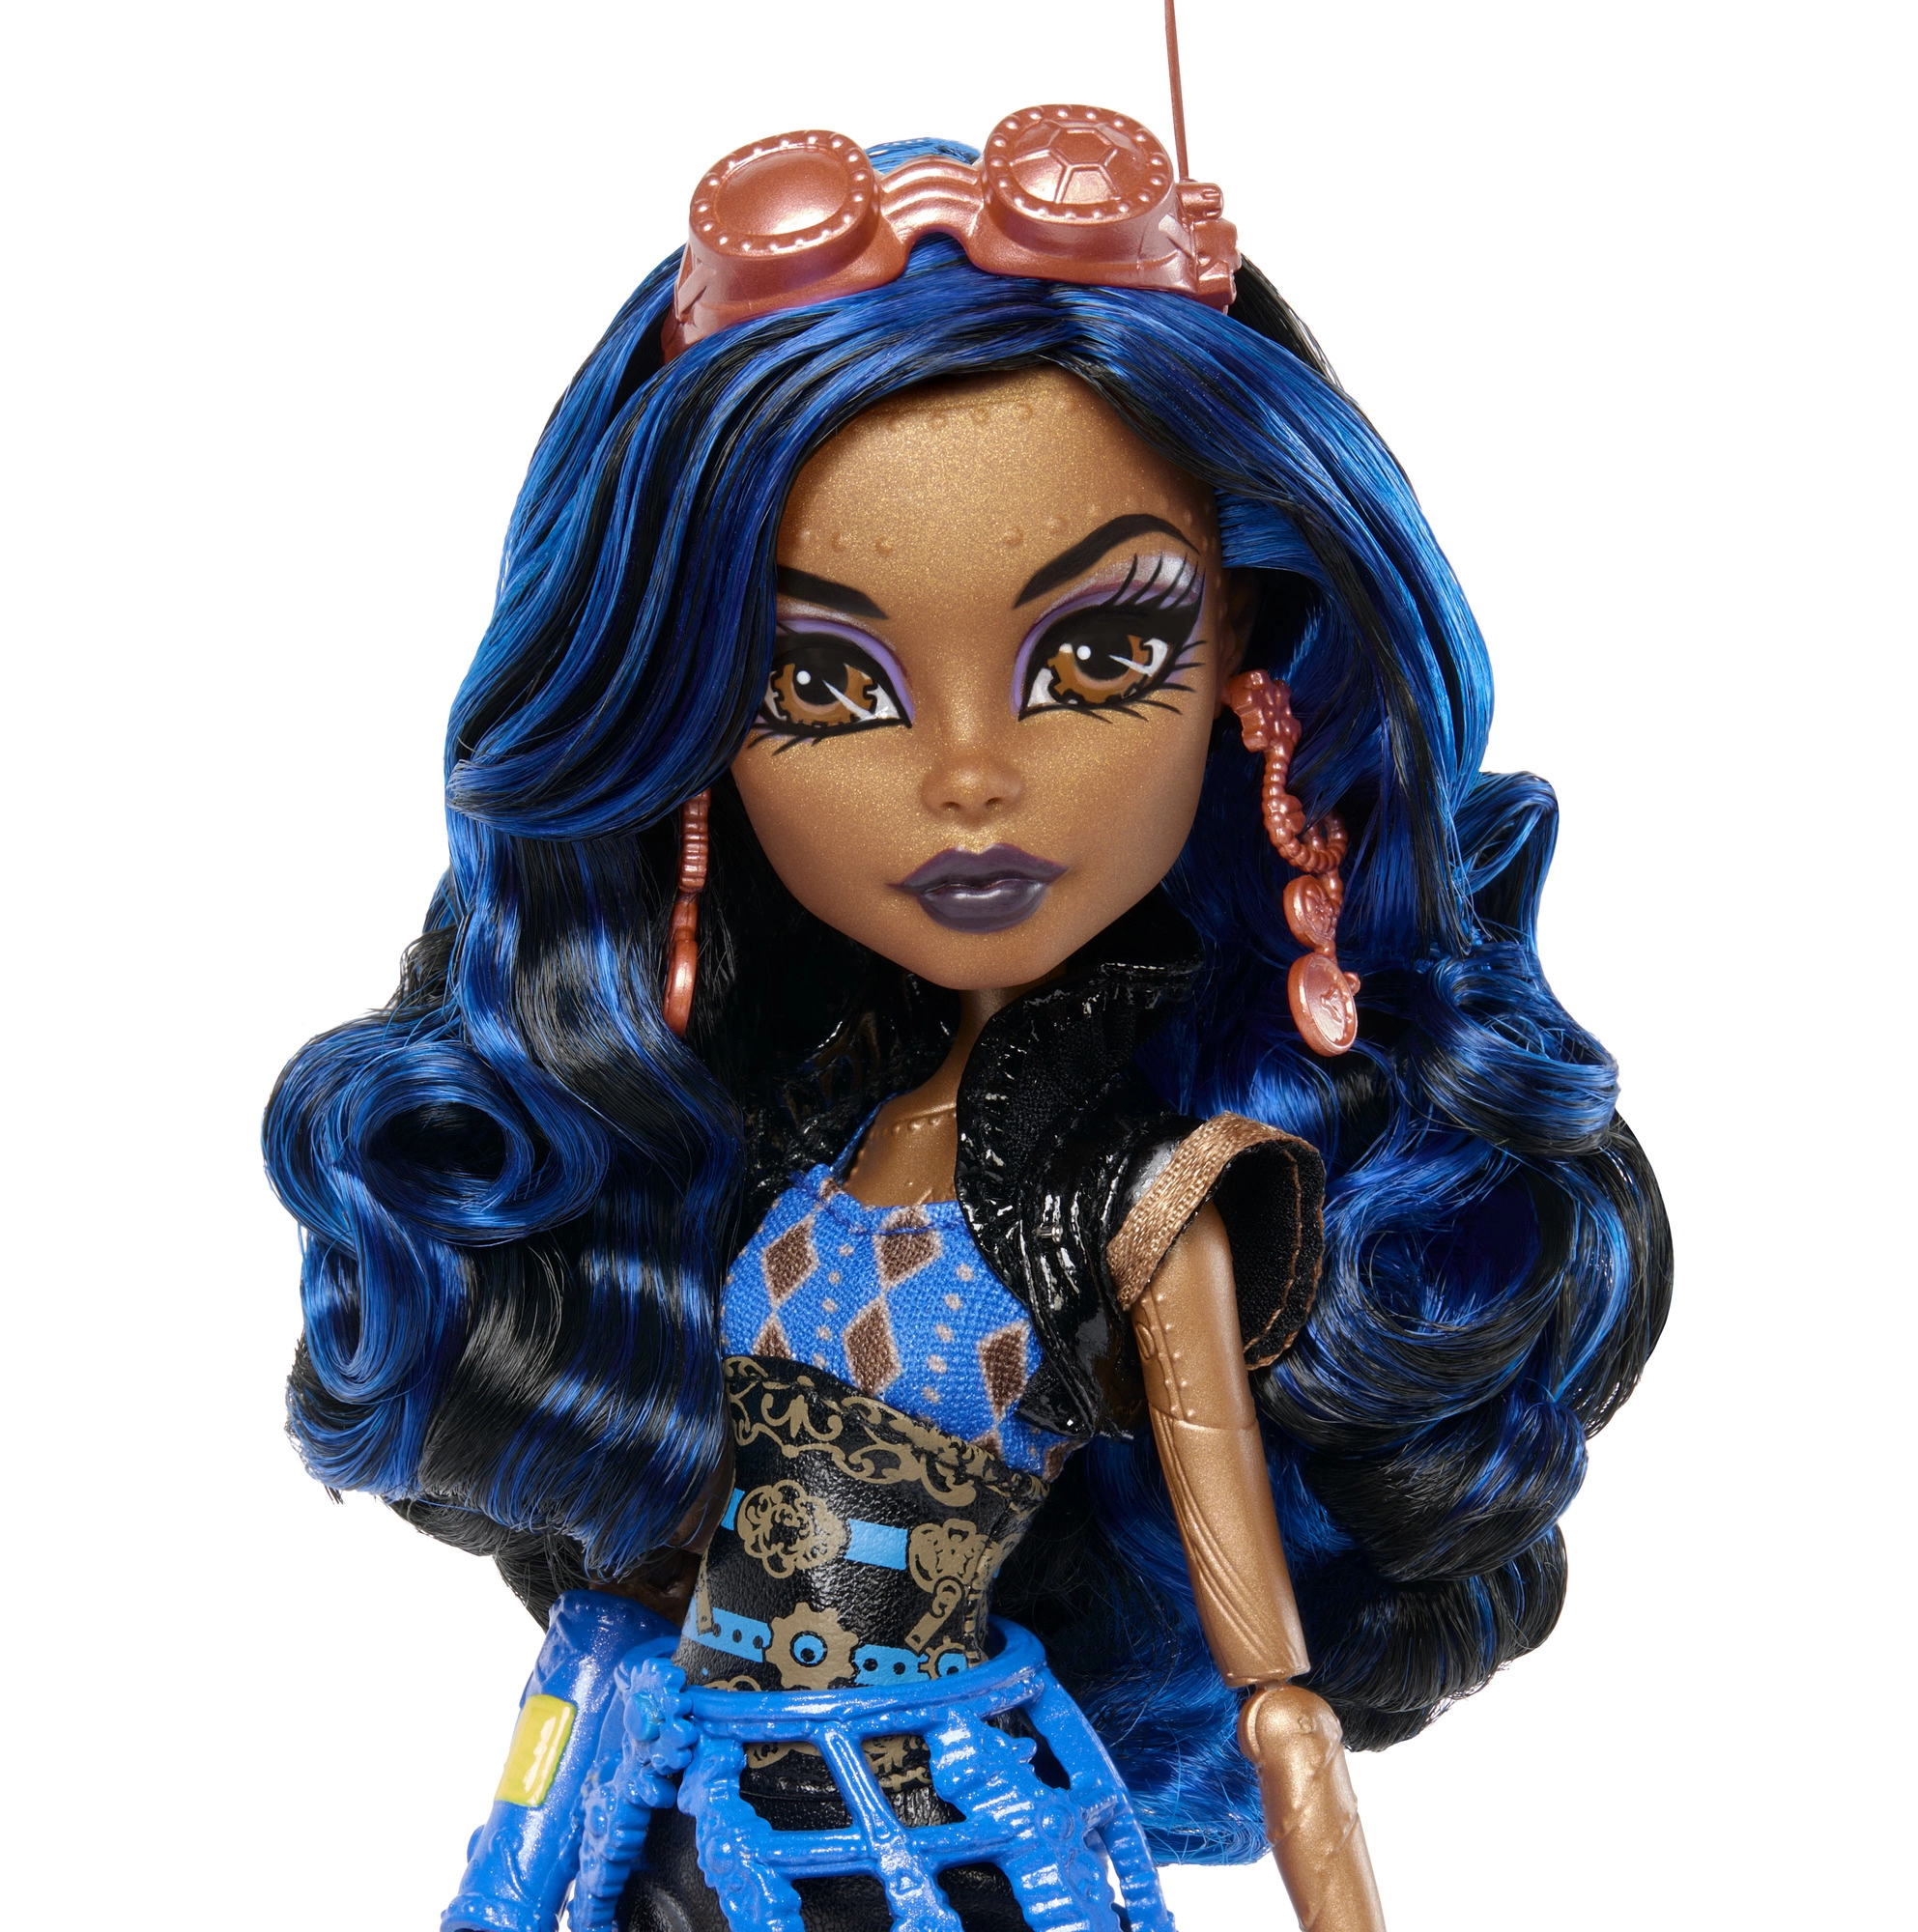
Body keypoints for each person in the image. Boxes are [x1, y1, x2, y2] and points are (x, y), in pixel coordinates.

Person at [265, 112, 1670, 1932]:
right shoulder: (781, 1113)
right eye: (821, 678)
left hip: (920, 1841)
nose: (970, 779)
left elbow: (1275, 1691)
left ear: (1252, 666)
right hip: (649, 1806)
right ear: (691, 740)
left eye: (1099, 653)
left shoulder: (1155, 1199)